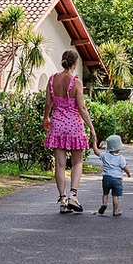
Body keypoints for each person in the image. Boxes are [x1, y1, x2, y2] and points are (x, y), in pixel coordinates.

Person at [43, 49, 97, 213]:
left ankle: (63, 200)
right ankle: (74, 196)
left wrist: (46, 118)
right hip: (74, 125)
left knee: (60, 165)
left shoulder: (52, 80)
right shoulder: (76, 82)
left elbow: (48, 104)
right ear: (75, 63)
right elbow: (81, 107)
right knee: (77, 162)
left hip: (58, 124)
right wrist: (91, 128)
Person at [91, 134, 131, 217]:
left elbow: (96, 152)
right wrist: (128, 173)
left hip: (106, 178)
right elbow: (124, 167)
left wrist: (94, 142)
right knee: (115, 195)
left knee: (105, 193)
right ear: (119, 147)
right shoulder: (120, 158)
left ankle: (104, 203)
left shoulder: (105, 155)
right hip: (117, 179)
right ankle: (115, 210)